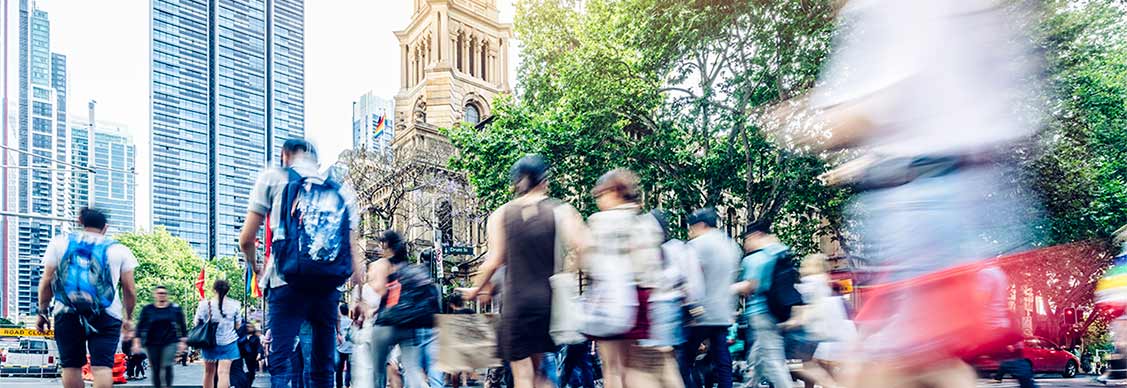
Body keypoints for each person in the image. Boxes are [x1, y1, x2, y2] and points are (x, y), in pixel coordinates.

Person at [240, 138, 364, 388]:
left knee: (282, 362)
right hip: (327, 287)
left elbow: (246, 239)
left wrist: (257, 269)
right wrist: (358, 297)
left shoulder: (273, 178)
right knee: (322, 367)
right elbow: (355, 255)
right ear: (315, 161)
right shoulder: (341, 190)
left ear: (285, 155)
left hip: (284, 280)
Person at [462, 155, 590, 388]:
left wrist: (475, 290)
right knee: (537, 372)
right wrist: (569, 271)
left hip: (517, 303)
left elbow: (494, 260)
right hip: (548, 302)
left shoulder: (501, 214)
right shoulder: (561, 210)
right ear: (544, 180)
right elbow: (584, 246)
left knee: (523, 376)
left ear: (517, 182)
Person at [586, 168, 683, 388]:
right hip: (640, 297)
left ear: (613, 191)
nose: (599, 200)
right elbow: (651, 268)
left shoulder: (601, 221)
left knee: (612, 368)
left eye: (600, 195)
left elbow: (592, 263)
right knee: (632, 365)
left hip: (611, 300)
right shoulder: (646, 224)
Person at [36, 207, 138, 388]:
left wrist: (42, 312)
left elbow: (47, 281)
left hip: (67, 312)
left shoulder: (59, 243)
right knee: (102, 367)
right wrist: (128, 318)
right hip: (107, 315)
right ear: (105, 227)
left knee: (71, 366)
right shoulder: (119, 249)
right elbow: (129, 289)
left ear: (80, 222)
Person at [366, 230, 441, 388]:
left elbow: (381, 290)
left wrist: (371, 281)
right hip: (409, 326)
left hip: (385, 324)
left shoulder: (382, 264)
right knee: (412, 368)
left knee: (378, 370)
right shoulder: (409, 267)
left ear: (387, 247)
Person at [680, 208, 741, 388]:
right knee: (722, 357)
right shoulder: (732, 246)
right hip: (722, 312)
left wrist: (690, 308)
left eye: (692, 228)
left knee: (684, 358)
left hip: (700, 312)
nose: (691, 232)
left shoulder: (696, 246)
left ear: (701, 225)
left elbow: (689, 279)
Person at [731, 221, 794, 388]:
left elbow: (750, 286)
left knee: (773, 361)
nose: (745, 244)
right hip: (776, 313)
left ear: (755, 236)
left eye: (746, 239)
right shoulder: (779, 252)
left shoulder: (755, 258)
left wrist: (727, 289)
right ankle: (749, 385)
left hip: (761, 313)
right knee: (757, 357)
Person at [134, 285, 189, 388]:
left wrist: (183, 342)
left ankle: (168, 386)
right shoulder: (148, 309)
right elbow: (140, 326)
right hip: (152, 343)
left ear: (167, 295)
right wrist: (136, 342)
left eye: (164, 293)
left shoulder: (174, 309)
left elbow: (182, 326)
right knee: (156, 368)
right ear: (155, 295)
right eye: (159, 293)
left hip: (170, 342)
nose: (161, 295)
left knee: (167, 364)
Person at [196, 279, 243, 388]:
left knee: (208, 372)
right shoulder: (235, 305)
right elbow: (238, 325)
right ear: (227, 290)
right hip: (229, 342)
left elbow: (196, 323)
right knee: (224, 373)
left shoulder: (204, 305)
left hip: (209, 342)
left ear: (214, 290)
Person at [241, 323, 264, 388]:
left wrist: (259, 354)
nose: (249, 328)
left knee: (251, 372)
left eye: (250, 327)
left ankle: (249, 385)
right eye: (247, 327)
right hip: (243, 357)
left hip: (252, 357)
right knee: (244, 373)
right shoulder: (242, 337)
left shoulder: (255, 337)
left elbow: (259, 346)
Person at [337, 304, 354, 388]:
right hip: (350, 349)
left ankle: (339, 385)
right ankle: (347, 385)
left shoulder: (338, 322)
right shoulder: (351, 322)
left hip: (340, 348)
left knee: (339, 369)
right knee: (349, 369)